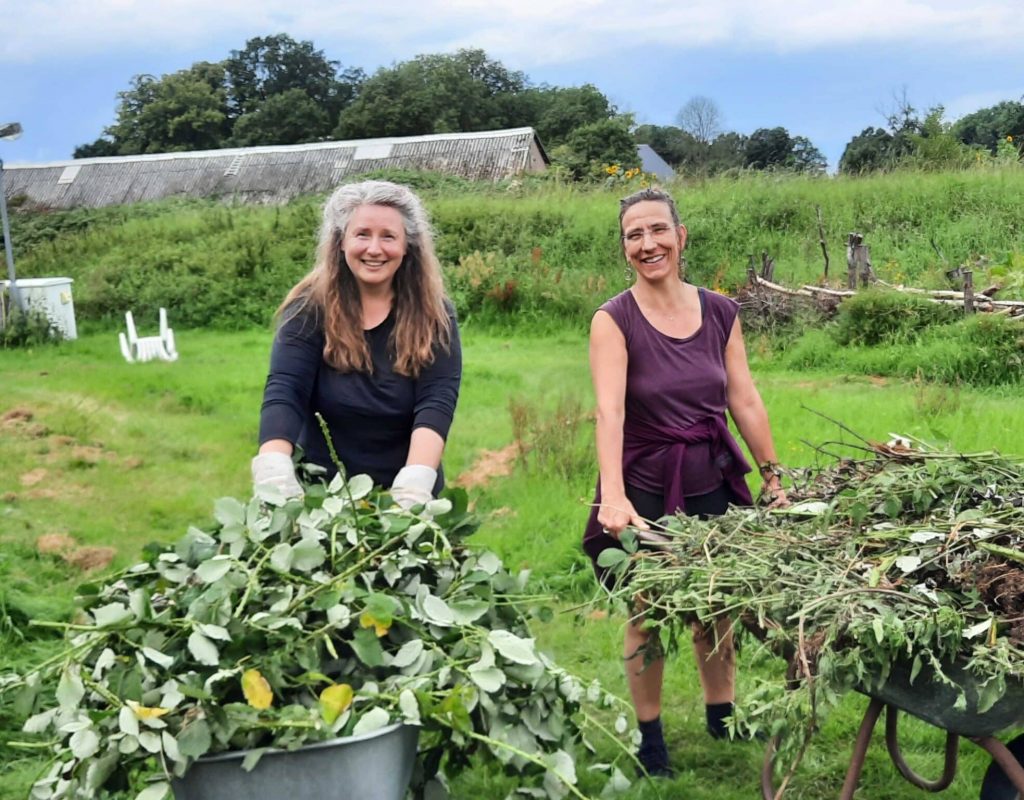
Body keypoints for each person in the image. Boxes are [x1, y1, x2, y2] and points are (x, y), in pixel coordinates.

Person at [583, 186, 788, 777]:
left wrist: (773, 477)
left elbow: (743, 397)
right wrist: (614, 494)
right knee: (646, 609)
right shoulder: (613, 320)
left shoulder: (721, 311)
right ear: (624, 248)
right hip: (644, 483)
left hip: (709, 474)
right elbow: (610, 412)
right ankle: (651, 738)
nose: (648, 244)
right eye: (634, 235)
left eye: (657, 231)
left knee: (716, 603)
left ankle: (721, 715)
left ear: (681, 237)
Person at [253, 180, 461, 508]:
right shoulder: (308, 309)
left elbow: (437, 401)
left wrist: (416, 480)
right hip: (322, 496)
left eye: (388, 236)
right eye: (362, 234)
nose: (374, 249)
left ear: (408, 245)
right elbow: (285, 390)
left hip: (406, 493)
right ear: (341, 241)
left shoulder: (435, 314)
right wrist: (274, 466)